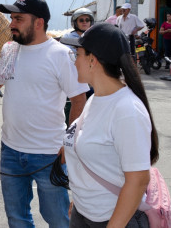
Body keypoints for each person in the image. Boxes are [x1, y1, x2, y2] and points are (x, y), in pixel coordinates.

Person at [0, 0, 89, 228]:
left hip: (49, 155)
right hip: (10, 152)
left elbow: (79, 100)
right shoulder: (9, 49)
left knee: (58, 219)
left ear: (38, 23)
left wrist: (68, 144)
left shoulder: (61, 55)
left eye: (18, 18)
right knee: (17, 218)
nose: (11, 24)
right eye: (11, 18)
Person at [59, 23, 158, 227]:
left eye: (76, 55)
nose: (74, 62)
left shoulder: (127, 110)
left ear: (92, 60)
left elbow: (138, 181)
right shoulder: (96, 99)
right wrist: (79, 202)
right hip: (84, 214)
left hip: (112, 220)